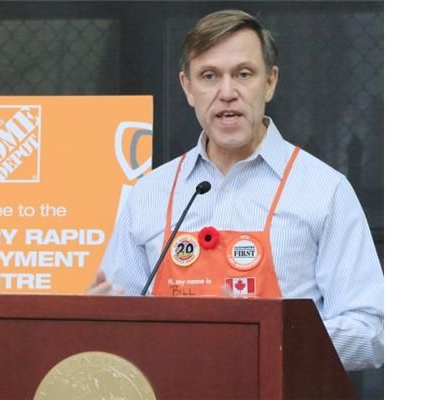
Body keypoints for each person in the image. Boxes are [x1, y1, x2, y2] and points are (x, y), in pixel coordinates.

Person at [88, 9, 383, 371]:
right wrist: (95, 318)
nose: (227, 93)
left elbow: (371, 331)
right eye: (209, 76)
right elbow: (118, 319)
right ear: (187, 88)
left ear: (270, 82)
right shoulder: (149, 193)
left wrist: (270, 335)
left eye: (243, 74)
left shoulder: (324, 190)